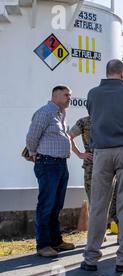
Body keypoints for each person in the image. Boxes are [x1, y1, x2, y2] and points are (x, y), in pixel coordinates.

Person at [81, 59, 123, 273]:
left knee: (98, 205)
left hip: (100, 152)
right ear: (122, 73)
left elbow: (93, 118)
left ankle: (90, 258)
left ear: (107, 72)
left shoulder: (93, 94)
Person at [25, 85, 76, 258]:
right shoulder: (45, 112)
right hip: (47, 164)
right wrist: (33, 154)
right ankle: (43, 245)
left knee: (56, 205)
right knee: (46, 205)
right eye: (66, 95)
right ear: (55, 96)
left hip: (60, 164)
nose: (69, 98)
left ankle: (56, 242)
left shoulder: (61, 114)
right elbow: (32, 137)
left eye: (70, 95)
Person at [69, 116, 119, 238]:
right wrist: (80, 154)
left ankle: (121, 232)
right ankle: (99, 235)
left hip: (111, 165)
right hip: (92, 166)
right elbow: (68, 136)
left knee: (115, 199)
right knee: (95, 200)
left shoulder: (111, 118)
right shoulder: (84, 122)